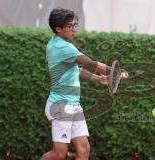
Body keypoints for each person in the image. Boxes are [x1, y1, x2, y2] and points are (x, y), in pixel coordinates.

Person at [41, 7, 128, 160]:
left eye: (75, 25)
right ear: (58, 29)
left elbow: (76, 70)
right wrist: (116, 72)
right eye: (69, 26)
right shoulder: (62, 47)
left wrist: (99, 78)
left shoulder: (58, 43)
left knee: (84, 149)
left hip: (73, 104)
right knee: (59, 154)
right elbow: (90, 63)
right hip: (61, 105)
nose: (74, 30)